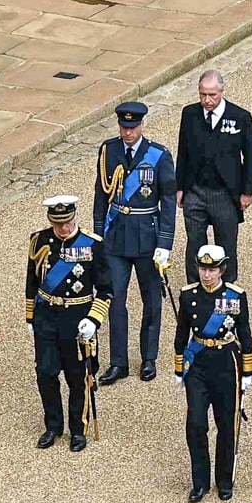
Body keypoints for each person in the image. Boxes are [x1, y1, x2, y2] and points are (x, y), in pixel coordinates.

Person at [93, 101, 178, 385]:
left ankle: (148, 358)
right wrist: (96, 236)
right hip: (116, 235)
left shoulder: (159, 155)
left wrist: (165, 243)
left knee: (151, 300)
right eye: (124, 127)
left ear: (142, 125)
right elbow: (100, 195)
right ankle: (119, 362)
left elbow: (167, 201)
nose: (128, 133)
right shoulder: (108, 151)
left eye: (133, 127)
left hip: (147, 236)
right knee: (115, 299)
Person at [173, 245, 252, 503]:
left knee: (226, 424)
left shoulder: (235, 296)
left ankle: (224, 480)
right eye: (203, 269)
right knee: (196, 423)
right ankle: (200, 482)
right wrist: (178, 367)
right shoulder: (188, 295)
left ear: (221, 270)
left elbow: (245, 335)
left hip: (225, 364)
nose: (206, 275)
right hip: (198, 364)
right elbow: (181, 333)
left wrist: (248, 371)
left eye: (212, 270)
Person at [28, 194, 109, 451]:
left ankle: (78, 428)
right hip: (47, 316)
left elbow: (106, 290)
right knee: (46, 373)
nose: (64, 228)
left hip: (77, 319)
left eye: (68, 221)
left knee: (79, 376)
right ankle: (53, 425)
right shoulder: (39, 241)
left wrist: (94, 319)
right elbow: (31, 281)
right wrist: (30, 315)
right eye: (58, 223)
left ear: (75, 217)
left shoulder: (92, 245)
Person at [175, 70, 252, 282]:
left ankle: (227, 287)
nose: (207, 100)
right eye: (203, 95)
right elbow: (182, 151)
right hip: (195, 191)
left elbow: (250, 157)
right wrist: (180, 187)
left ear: (222, 91)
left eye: (212, 95)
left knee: (226, 244)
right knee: (195, 243)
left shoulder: (240, 117)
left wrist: (247, 192)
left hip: (224, 193)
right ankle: (194, 288)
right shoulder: (189, 114)